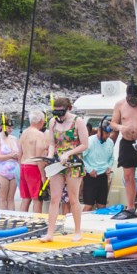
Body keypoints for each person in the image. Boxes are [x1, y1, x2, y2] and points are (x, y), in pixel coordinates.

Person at [43, 97, 89, 237]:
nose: (59, 116)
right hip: (58, 163)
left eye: (61, 113)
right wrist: (50, 156)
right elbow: (52, 143)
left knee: (73, 199)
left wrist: (68, 153)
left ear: (68, 109)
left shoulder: (78, 121)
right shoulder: (53, 122)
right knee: (54, 199)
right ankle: (50, 233)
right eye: (56, 113)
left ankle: (77, 231)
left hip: (73, 163)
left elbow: (85, 145)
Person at [112, 81, 137, 214]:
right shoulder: (120, 104)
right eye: (131, 100)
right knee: (128, 176)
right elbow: (113, 123)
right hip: (127, 142)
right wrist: (121, 127)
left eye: (135, 99)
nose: (133, 102)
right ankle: (130, 207)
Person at [17, 113, 51, 213]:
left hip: (23, 165)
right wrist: (43, 175)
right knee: (37, 199)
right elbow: (38, 155)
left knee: (26, 198)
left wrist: (20, 165)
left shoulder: (24, 133)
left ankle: (22, 219)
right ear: (40, 121)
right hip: (34, 167)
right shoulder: (39, 134)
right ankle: (37, 220)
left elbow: (19, 153)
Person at [81, 122, 118, 209]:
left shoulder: (110, 142)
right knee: (88, 205)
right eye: (106, 133)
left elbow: (111, 157)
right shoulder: (89, 141)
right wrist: (89, 169)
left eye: (109, 134)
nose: (107, 136)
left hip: (103, 176)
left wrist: (109, 166)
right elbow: (80, 157)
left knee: (102, 205)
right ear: (99, 131)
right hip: (90, 176)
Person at [0, 117, 22, 212]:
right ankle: (2, 216)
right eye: (9, 128)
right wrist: (10, 155)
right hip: (1, 172)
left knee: (11, 198)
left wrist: (17, 156)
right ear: (3, 127)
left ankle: (12, 215)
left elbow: (20, 154)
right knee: (2, 198)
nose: (11, 130)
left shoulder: (14, 139)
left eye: (12, 128)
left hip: (14, 171)